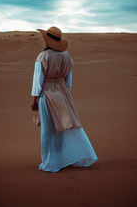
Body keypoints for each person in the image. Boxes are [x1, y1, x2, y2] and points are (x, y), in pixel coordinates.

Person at [31, 26, 98, 172]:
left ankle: (50, 163)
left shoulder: (43, 57)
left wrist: (34, 99)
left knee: (48, 129)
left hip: (47, 94)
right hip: (63, 94)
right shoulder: (67, 56)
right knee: (62, 127)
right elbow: (69, 81)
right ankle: (61, 159)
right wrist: (64, 92)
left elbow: (38, 81)